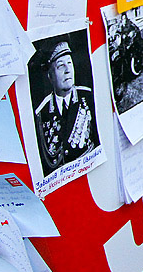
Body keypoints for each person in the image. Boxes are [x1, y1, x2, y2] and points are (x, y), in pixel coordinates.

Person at [34, 40, 98, 176]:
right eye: (60, 66)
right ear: (50, 76)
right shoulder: (42, 112)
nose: (68, 70)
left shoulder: (88, 97)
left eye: (69, 63)